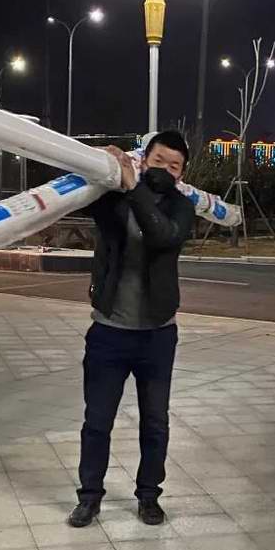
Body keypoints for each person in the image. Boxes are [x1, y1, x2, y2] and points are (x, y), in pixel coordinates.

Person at [68, 131, 195, 528]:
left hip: (157, 336)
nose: (165, 170)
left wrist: (135, 186)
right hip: (109, 333)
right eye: (159, 161)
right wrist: (100, 162)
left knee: (155, 422)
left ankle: (149, 496)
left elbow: (161, 235)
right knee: (97, 421)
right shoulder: (113, 198)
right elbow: (79, 193)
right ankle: (89, 497)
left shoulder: (181, 207)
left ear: (182, 173)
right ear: (144, 159)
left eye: (174, 166)